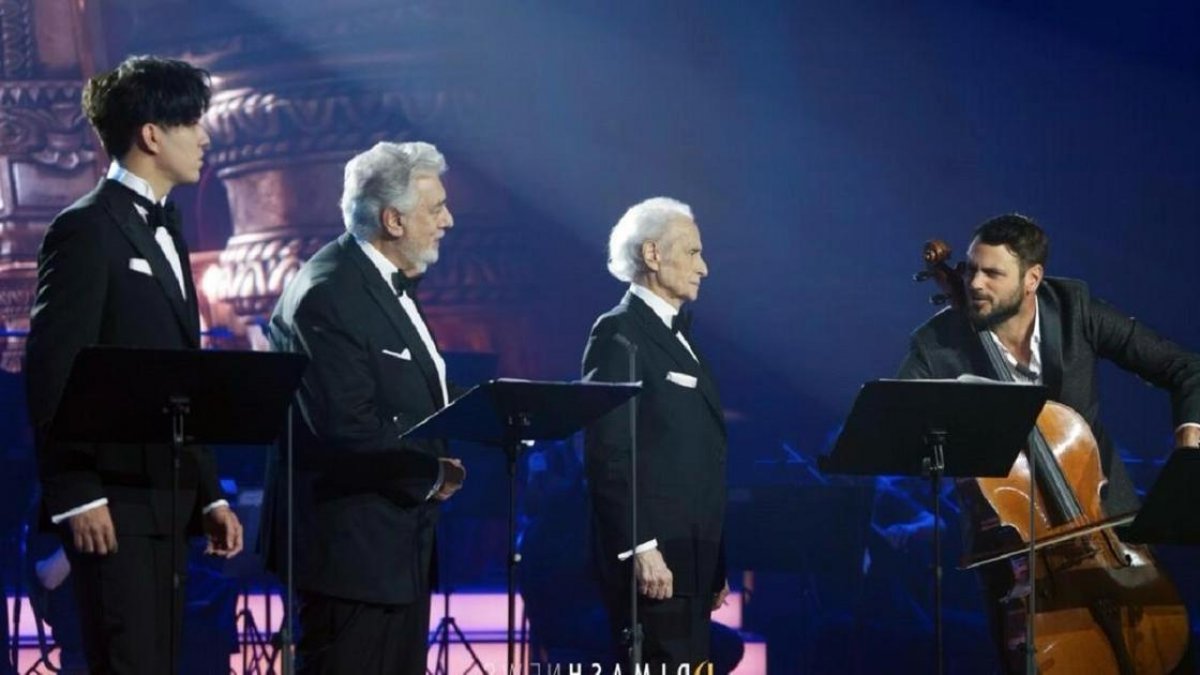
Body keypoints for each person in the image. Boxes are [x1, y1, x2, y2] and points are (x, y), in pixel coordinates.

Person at [897, 213, 1200, 672]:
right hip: (1020, 564)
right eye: (971, 269)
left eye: (992, 273)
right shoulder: (936, 343)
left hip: (1108, 533)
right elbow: (901, 429)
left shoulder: (1074, 308)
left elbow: (1186, 368)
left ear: (1032, 279)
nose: (974, 283)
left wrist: (1189, 450)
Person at [24, 55, 243, 674]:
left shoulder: (168, 229)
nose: (204, 137)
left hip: (167, 500)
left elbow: (182, 377)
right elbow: (52, 369)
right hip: (112, 503)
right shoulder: (86, 229)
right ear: (152, 134)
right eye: (192, 122)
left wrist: (209, 496)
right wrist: (75, 493)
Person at [265, 140, 466, 674]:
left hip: (394, 550)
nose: (447, 220)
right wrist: (431, 473)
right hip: (348, 557)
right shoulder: (329, 292)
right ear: (393, 220)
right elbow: (345, 425)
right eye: (436, 208)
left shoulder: (380, 281)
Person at [582, 197, 729, 670]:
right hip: (655, 562)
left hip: (692, 561)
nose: (704, 267)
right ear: (652, 254)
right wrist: (640, 547)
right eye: (693, 252)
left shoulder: (680, 336)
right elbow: (608, 453)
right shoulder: (618, 332)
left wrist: (715, 563)